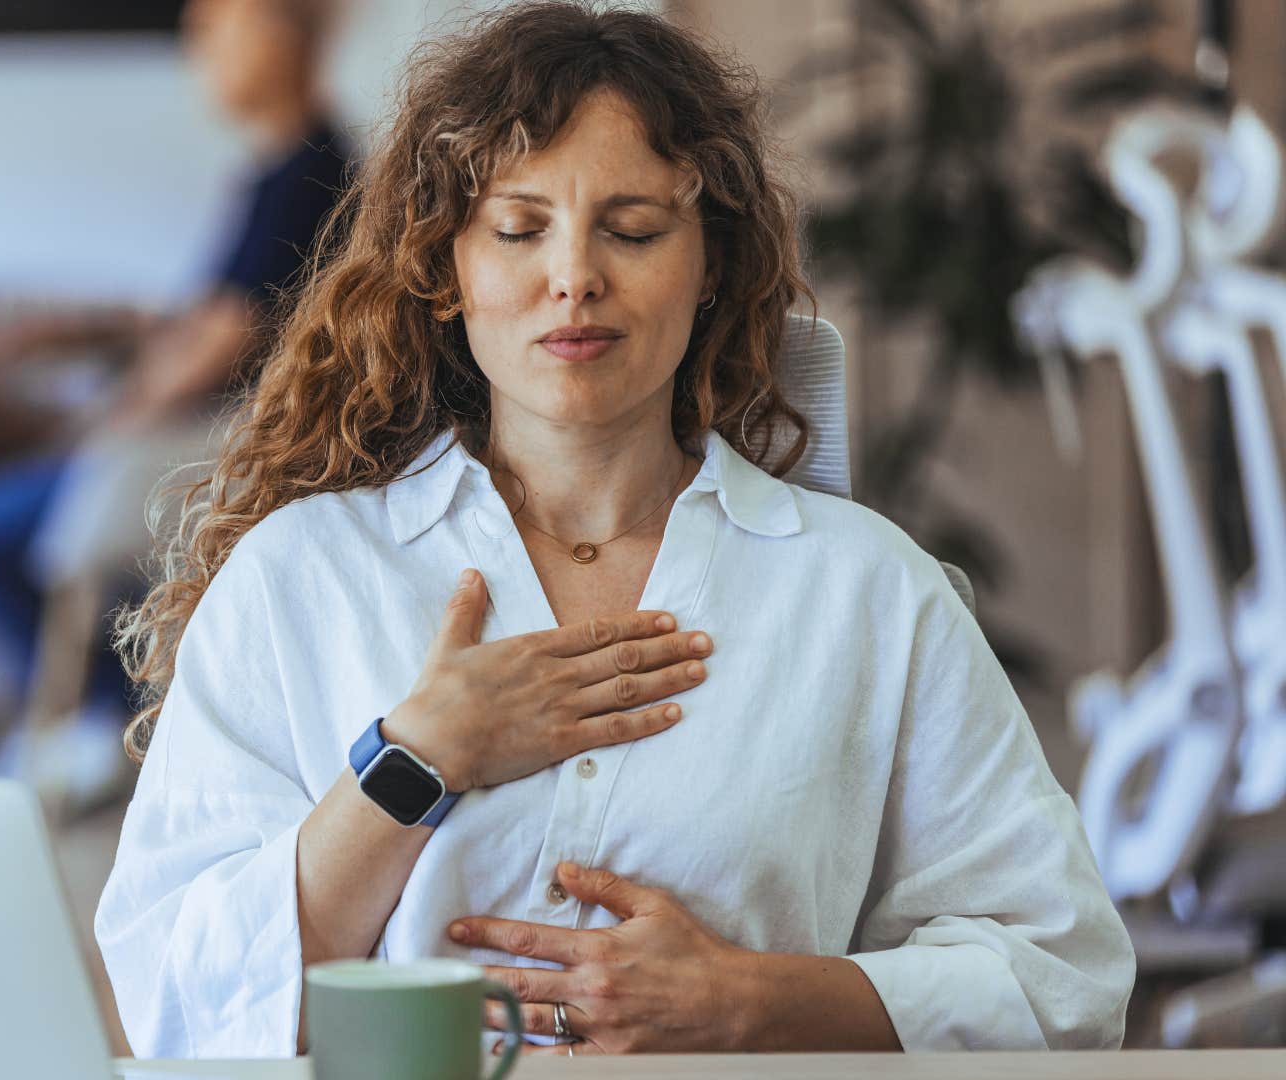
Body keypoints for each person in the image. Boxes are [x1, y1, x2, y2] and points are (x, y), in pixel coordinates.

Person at [94, 0, 1134, 1059]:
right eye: (519, 229)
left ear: (712, 264)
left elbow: (1063, 972)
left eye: (633, 230)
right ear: (447, 269)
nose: (575, 276)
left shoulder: (867, 590)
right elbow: (172, 995)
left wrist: (755, 1001)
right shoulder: (304, 578)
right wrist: (416, 759)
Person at [0, 0, 354, 798]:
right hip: (177, 448)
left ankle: (98, 718)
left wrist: (109, 421)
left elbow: (226, 338)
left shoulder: (308, 173)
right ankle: (102, 718)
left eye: (217, 27)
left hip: (195, 455)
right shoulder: (283, 171)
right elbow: (216, 315)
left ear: (283, 31)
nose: (198, 49)